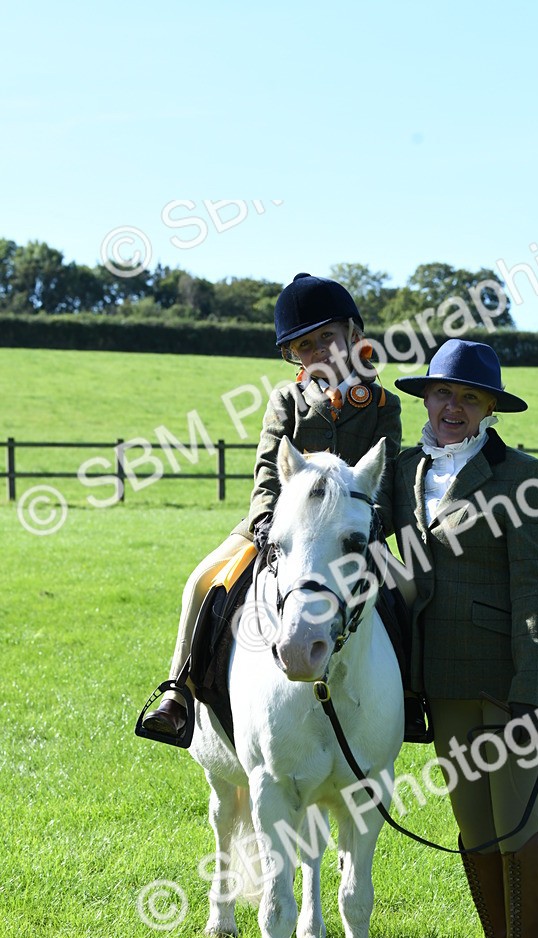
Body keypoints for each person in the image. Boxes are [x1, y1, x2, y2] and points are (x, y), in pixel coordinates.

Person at [390, 339, 538, 938]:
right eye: (444, 393)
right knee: (475, 830)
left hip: (511, 681)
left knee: (519, 827)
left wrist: (531, 688)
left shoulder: (523, 477)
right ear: (426, 398)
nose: (453, 407)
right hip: (441, 681)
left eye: (469, 397)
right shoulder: (403, 472)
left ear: (490, 408)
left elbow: (537, 594)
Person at [143, 272, 403, 741]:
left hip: (353, 531)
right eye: (305, 346)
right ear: (293, 355)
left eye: (327, 337)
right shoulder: (287, 399)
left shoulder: (384, 404)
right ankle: (178, 691)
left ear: (353, 334)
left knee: (410, 595)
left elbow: (385, 477)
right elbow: (268, 468)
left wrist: (370, 529)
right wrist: (266, 523)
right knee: (201, 581)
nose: (319, 351)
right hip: (281, 525)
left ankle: (413, 696)